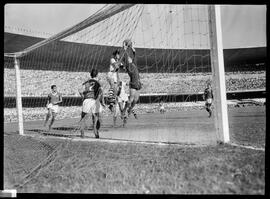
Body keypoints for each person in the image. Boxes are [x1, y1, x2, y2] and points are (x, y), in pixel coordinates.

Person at [120, 39, 142, 126]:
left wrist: (133, 49)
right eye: (128, 58)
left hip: (138, 84)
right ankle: (124, 111)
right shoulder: (128, 67)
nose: (129, 58)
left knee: (135, 100)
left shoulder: (133, 64)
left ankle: (128, 112)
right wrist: (124, 48)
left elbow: (134, 55)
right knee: (130, 100)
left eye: (130, 58)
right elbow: (124, 56)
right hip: (133, 84)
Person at [78, 69, 103, 138]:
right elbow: (100, 92)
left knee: (84, 118)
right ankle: (96, 132)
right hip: (94, 101)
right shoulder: (98, 82)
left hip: (87, 100)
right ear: (97, 74)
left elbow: (80, 90)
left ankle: (82, 133)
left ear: (90, 74)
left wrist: (83, 97)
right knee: (96, 117)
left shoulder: (86, 82)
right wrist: (100, 100)